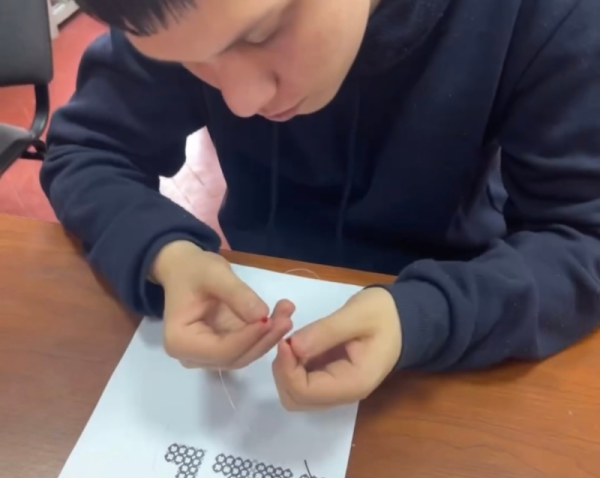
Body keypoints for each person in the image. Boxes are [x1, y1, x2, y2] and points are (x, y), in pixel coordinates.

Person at [41, 0, 600, 410]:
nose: (241, 100)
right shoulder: (176, 13)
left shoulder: (546, 17)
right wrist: (167, 254)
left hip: (458, 338)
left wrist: (424, 317)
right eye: (190, 61)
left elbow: (582, 238)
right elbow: (86, 149)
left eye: (261, 34)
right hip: (268, 309)